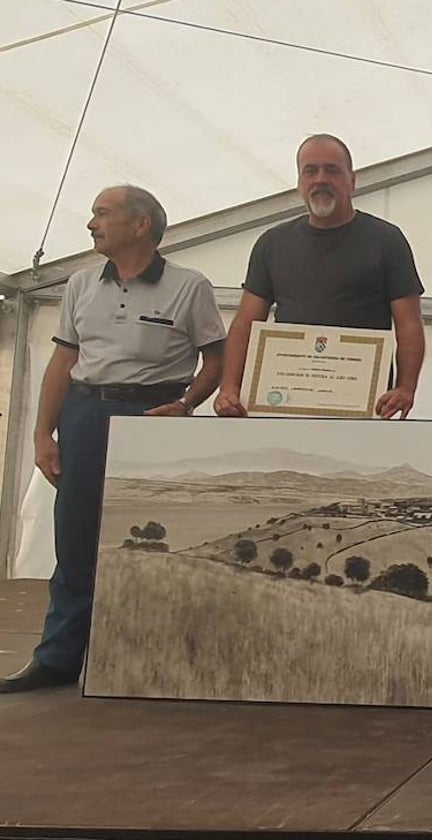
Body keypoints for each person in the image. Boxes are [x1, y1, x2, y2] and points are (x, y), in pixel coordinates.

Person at [0, 186, 226, 693]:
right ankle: (57, 659)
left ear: (141, 224)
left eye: (102, 213)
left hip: (154, 417)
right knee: (75, 540)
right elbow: (63, 362)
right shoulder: (81, 284)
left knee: (155, 542)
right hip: (84, 414)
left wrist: (187, 404)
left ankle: (148, 659)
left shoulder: (190, 286)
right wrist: (43, 435)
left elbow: (217, 359)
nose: (91, 223)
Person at [214, 134, 424, 418]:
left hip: (362, 408)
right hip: (283, 403)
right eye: (310, 171)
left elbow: (409, 324)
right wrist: (229, 387)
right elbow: (245, 322)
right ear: (300, 183)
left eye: (332, 170)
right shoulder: (272, 243)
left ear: (352, 180)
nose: (320, 179)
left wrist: (405, 388)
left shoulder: (387, 240)